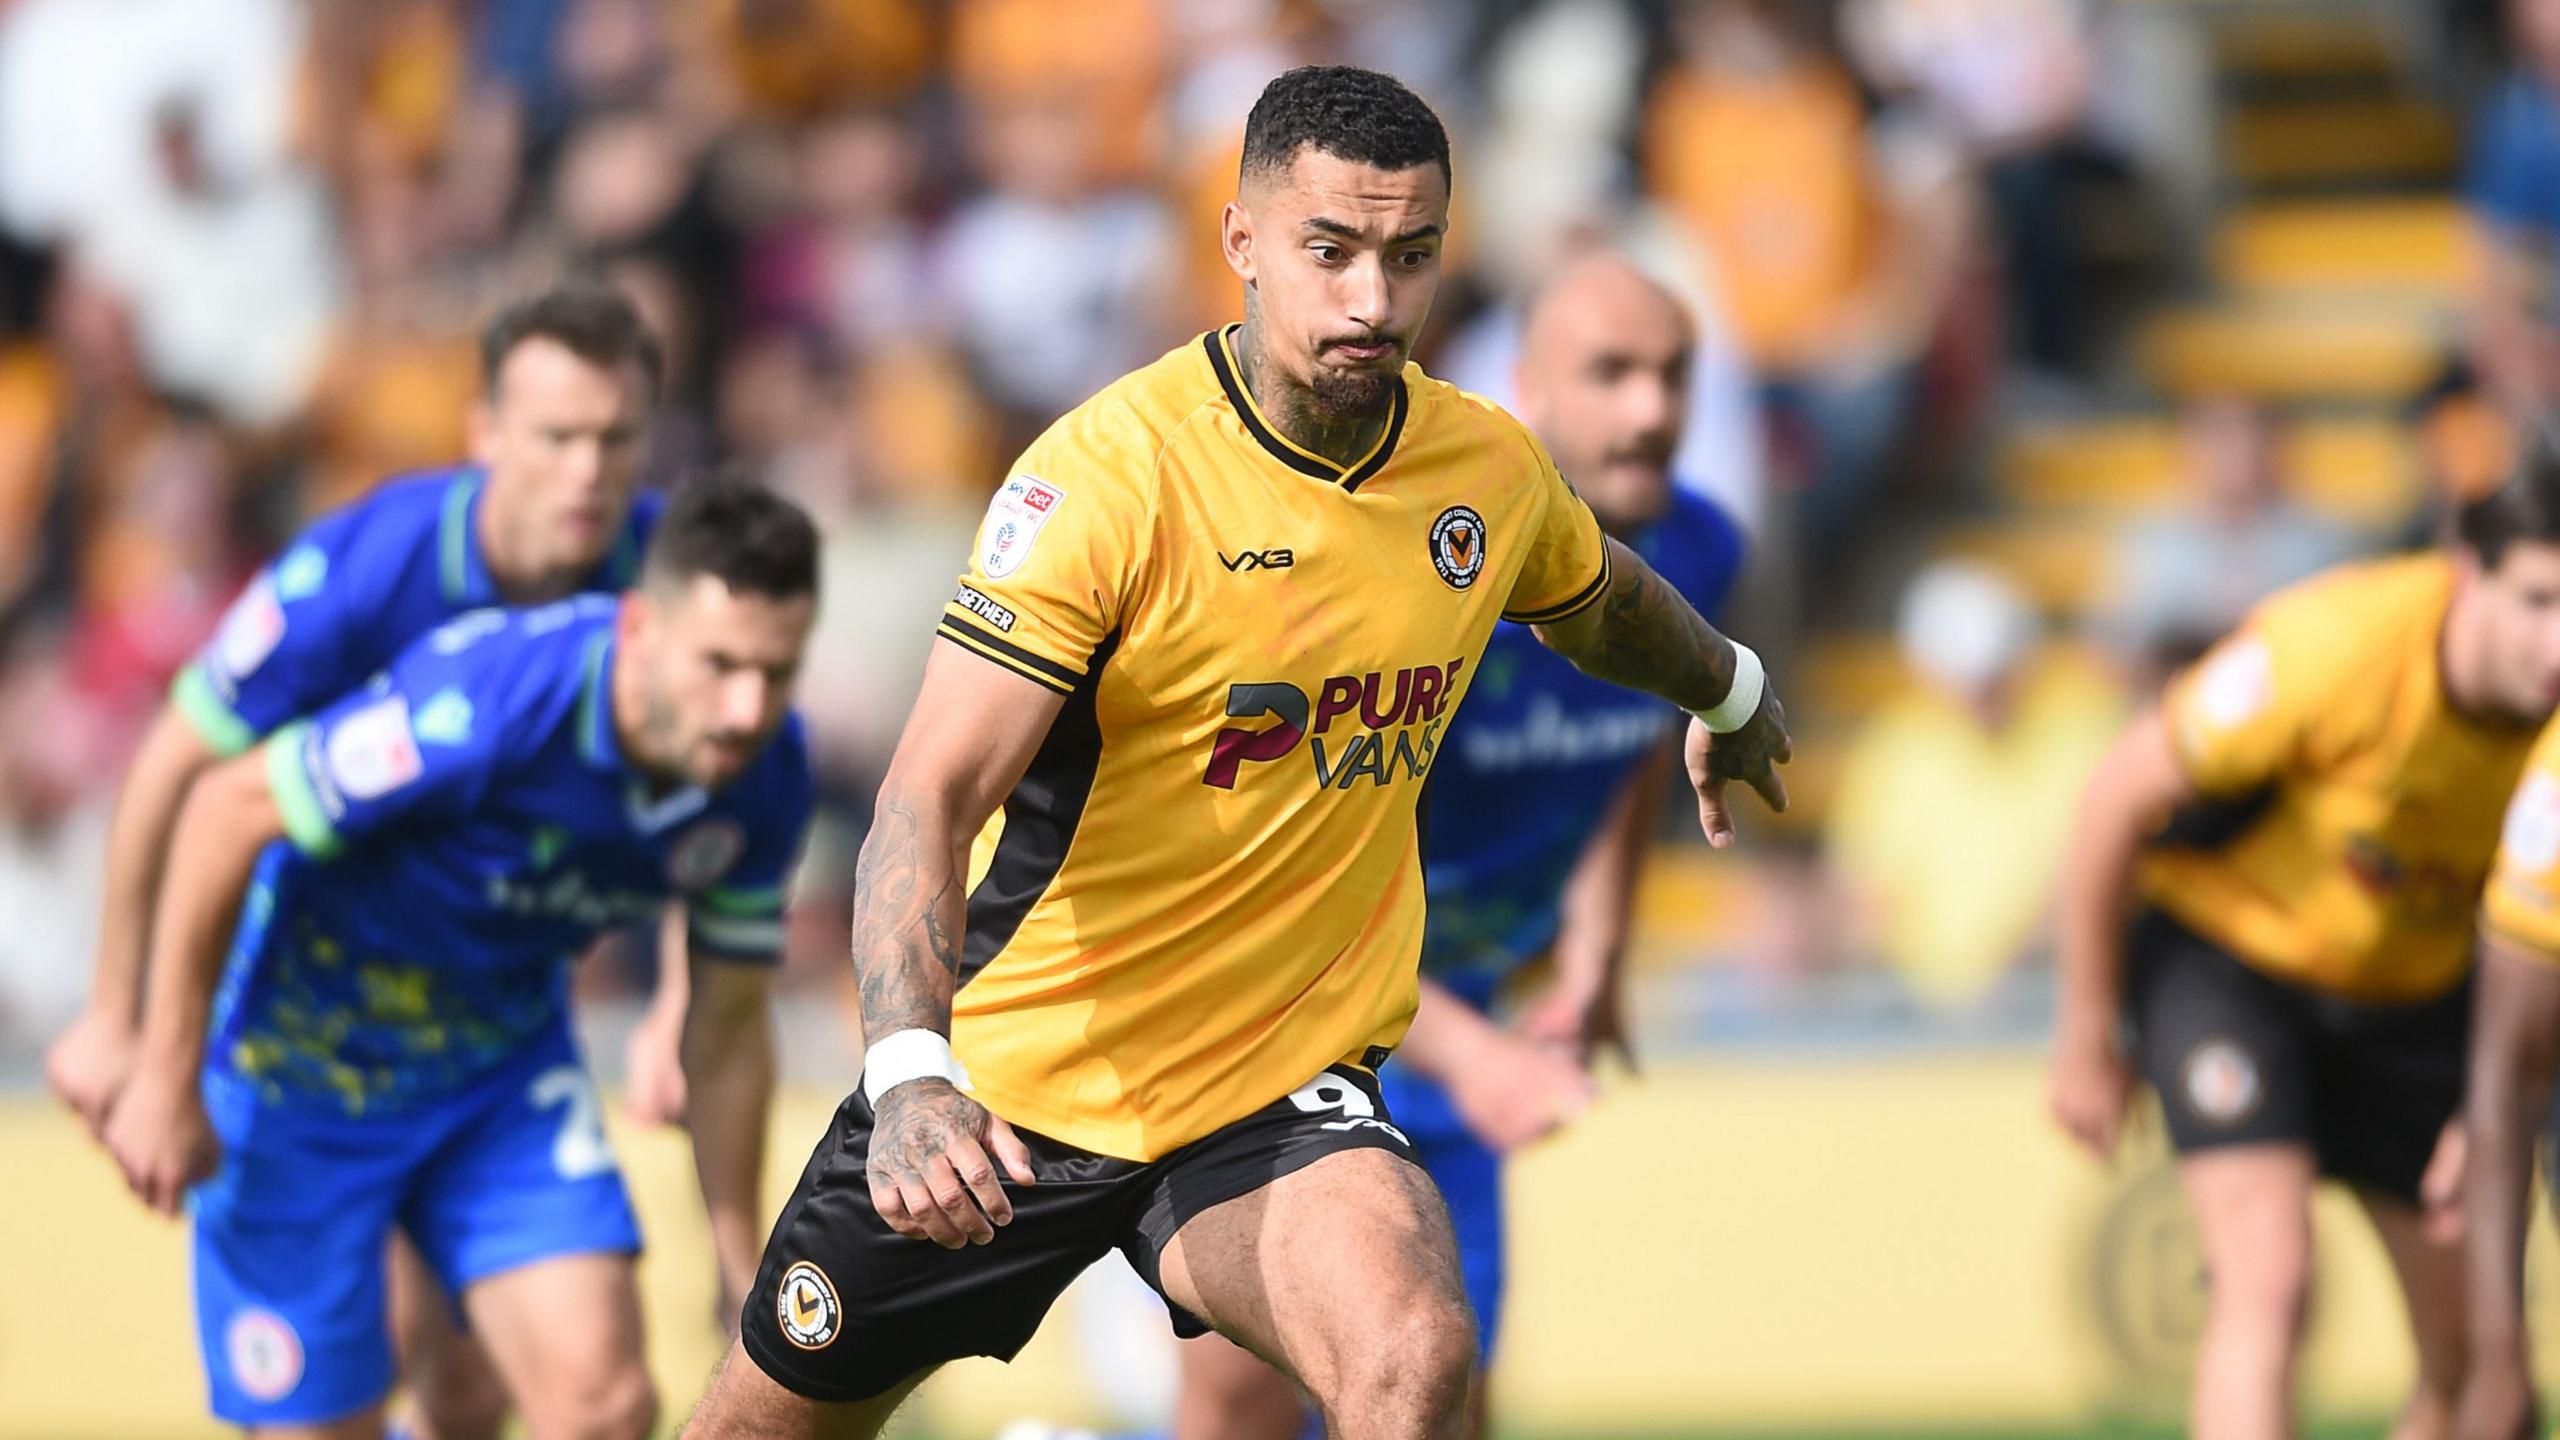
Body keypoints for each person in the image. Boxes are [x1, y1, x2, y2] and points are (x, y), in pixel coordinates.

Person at [683, 65, 1790, 1440]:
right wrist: (911, 1075)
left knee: (1414, 1350)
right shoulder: (1110, 478)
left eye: (1412, 256)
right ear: (1244, 244)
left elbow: (1605, 596)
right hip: (1014, 1087)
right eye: (1331, 251)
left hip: (1267, 1092)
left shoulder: (1483, 475)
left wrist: (1730, 689)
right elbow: (932, 787)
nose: (1373, 302)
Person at [39, 283, 740, 1438]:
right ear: (485, 436)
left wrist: (677, 992)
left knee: (571, 1399)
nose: (586, 471)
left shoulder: (662, 583)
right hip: (308, 1029)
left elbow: (715, 784)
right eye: (556, 437)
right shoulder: (372, 564)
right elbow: (178, 763)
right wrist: (122, 1025)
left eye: (615, 439)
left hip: (495, 1041)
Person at [98, 477, 820, 1439]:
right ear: (640, 627)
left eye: (776, 674)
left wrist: (740, 1273)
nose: (744, 708)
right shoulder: (492, 701)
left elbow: (727, 1029)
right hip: (304, 1068)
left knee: (602, 1403)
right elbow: (224, 811)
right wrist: (161, 1071)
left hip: (494, 1073)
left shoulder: (767, 779)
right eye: (720, 664)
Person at [1168, 249, 1747, 1440]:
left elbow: (1633, 756)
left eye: (1674, 374)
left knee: (1438, 1398)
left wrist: (1597, 955)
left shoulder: (1697, 559)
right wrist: (1481, 1059)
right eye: (1612, 372)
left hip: (1449, 1018)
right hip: (1284, 1033)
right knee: (1246, 1399)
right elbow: (1283, 903)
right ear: (1530, 385)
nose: (1652, 409)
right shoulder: (1434, 574)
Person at [2047, 455, 2560, 1440]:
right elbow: (2114, 797)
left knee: (2468, 1360)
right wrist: (2083, 1028)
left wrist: (2498, 1105)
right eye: (2537, 601)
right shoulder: (2332, 647)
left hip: (2420, 1005)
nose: (2558, 643)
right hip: (2233, 966)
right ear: (2467, 571)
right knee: (2270, 1276)